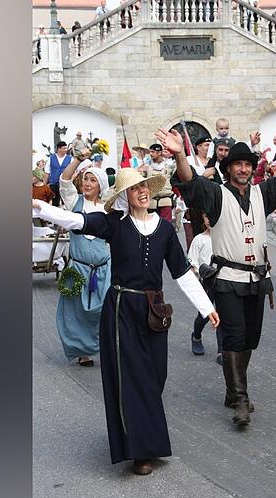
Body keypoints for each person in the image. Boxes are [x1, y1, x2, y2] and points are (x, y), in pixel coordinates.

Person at [32, 168, 219, 476]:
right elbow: (78, 221)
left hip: (154, 309)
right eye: (134, 189)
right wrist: (42, 208)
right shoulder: (115, 225)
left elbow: (181, 272)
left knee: (156, 376)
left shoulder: (165, 230)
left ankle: (149, 439)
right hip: (120, 307)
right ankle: (140, 451)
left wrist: (205, 306)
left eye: (144, 186)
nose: (141, 191)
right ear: (125, 196)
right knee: (133, 379)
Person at [159, 112, 276, 428]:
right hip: (227, 280)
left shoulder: (264, 192)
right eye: (238, 164)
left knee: (250, 338)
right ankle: (241, 398)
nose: (244, 168)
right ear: (228, 168)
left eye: (248, 164)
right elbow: (190, 185)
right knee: (233, 337)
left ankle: (233, 390)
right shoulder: (216, 192)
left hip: (257, 280)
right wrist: (180, 153)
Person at [56, 161, 112, 367]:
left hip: (103, 270)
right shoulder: (74, 203)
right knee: (76, 312)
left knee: (103, 309)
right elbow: (64, 180)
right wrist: (78, 160)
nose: (87, 183)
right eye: (85, 179)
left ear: (101, 186)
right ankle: (83, 351)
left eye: (93, 180)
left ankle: (101, 345)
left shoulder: (108, 209)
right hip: (78, 268)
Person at [187, 212, 221, 360]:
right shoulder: (199, 239)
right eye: (207, 216)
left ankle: (222, 350)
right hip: (206, 281)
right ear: (203, 218)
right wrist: (198, 273)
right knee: (205, 314)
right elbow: (192, 261)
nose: (210, 220)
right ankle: (196, 336)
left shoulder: (224, 238)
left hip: (224, 281)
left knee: (224, 314)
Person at [46, 141, 73, 206]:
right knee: (55, 203)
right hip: (54, 184)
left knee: (66, 202)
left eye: (66, 148)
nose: (66, 150)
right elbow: (47, 172)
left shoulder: (70, 158)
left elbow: (73, 171)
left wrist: (71, 181)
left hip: (65, 184)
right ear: (59, 149)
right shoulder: (51, 158)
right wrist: (44, 184)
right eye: (64, 148)